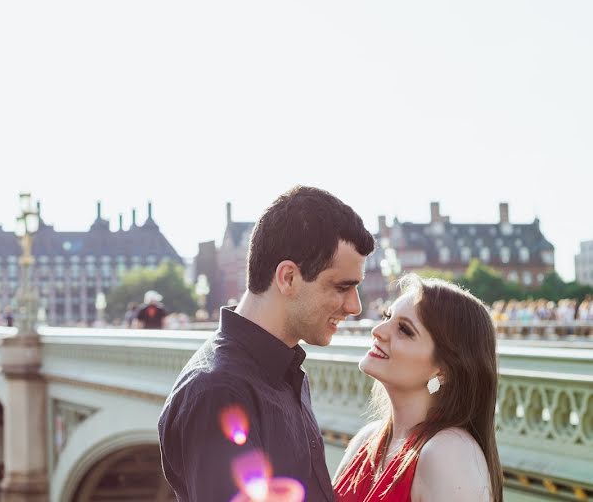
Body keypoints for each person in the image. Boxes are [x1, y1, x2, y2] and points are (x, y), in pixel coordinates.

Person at [158, 186, 374, 501]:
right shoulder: (219, 393)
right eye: (342, 287)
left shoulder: (285, 370)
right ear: (288, 277)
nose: (354, 307)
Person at [334, 275, 503, 502]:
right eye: (387, 316)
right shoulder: (367, 440)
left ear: (443, 370)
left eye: (404, 330)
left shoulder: (448, 454)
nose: (378, 330)